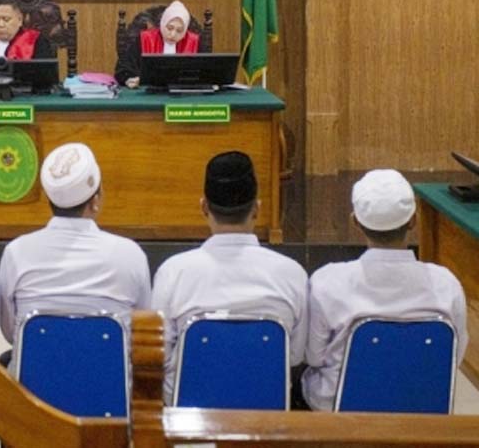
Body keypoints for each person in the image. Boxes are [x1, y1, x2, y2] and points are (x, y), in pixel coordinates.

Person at [301, 169, 468, 411]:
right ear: (413, 221)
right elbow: (453, 355)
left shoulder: (328, 281)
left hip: (339, 412)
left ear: (355, 221)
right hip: (422, 408)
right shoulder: (446, 283)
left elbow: (313, 356)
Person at [150, 151, 307, 404]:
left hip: (189, 425)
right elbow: (295, 356)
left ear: (203, 207)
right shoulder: (292, 274)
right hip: (266, 420)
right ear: (257, 209)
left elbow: (159, 355)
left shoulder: (174, 272)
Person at [0, 143, 151, 365]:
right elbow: (142, 332)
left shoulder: (16, 253)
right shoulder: (130, 255)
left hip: (30, 396)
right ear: (95, 200)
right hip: (109, 395)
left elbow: (12, 332)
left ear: (49, 201)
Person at [114, 0, 200, 88]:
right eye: (170, 28)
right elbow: (123, 69)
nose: (173, 34)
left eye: (179, 31)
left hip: (183, 96)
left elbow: (205, 73)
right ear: (163, 23)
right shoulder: (145, 39)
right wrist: (130, 79)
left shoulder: (194, 41)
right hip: (148, 95)